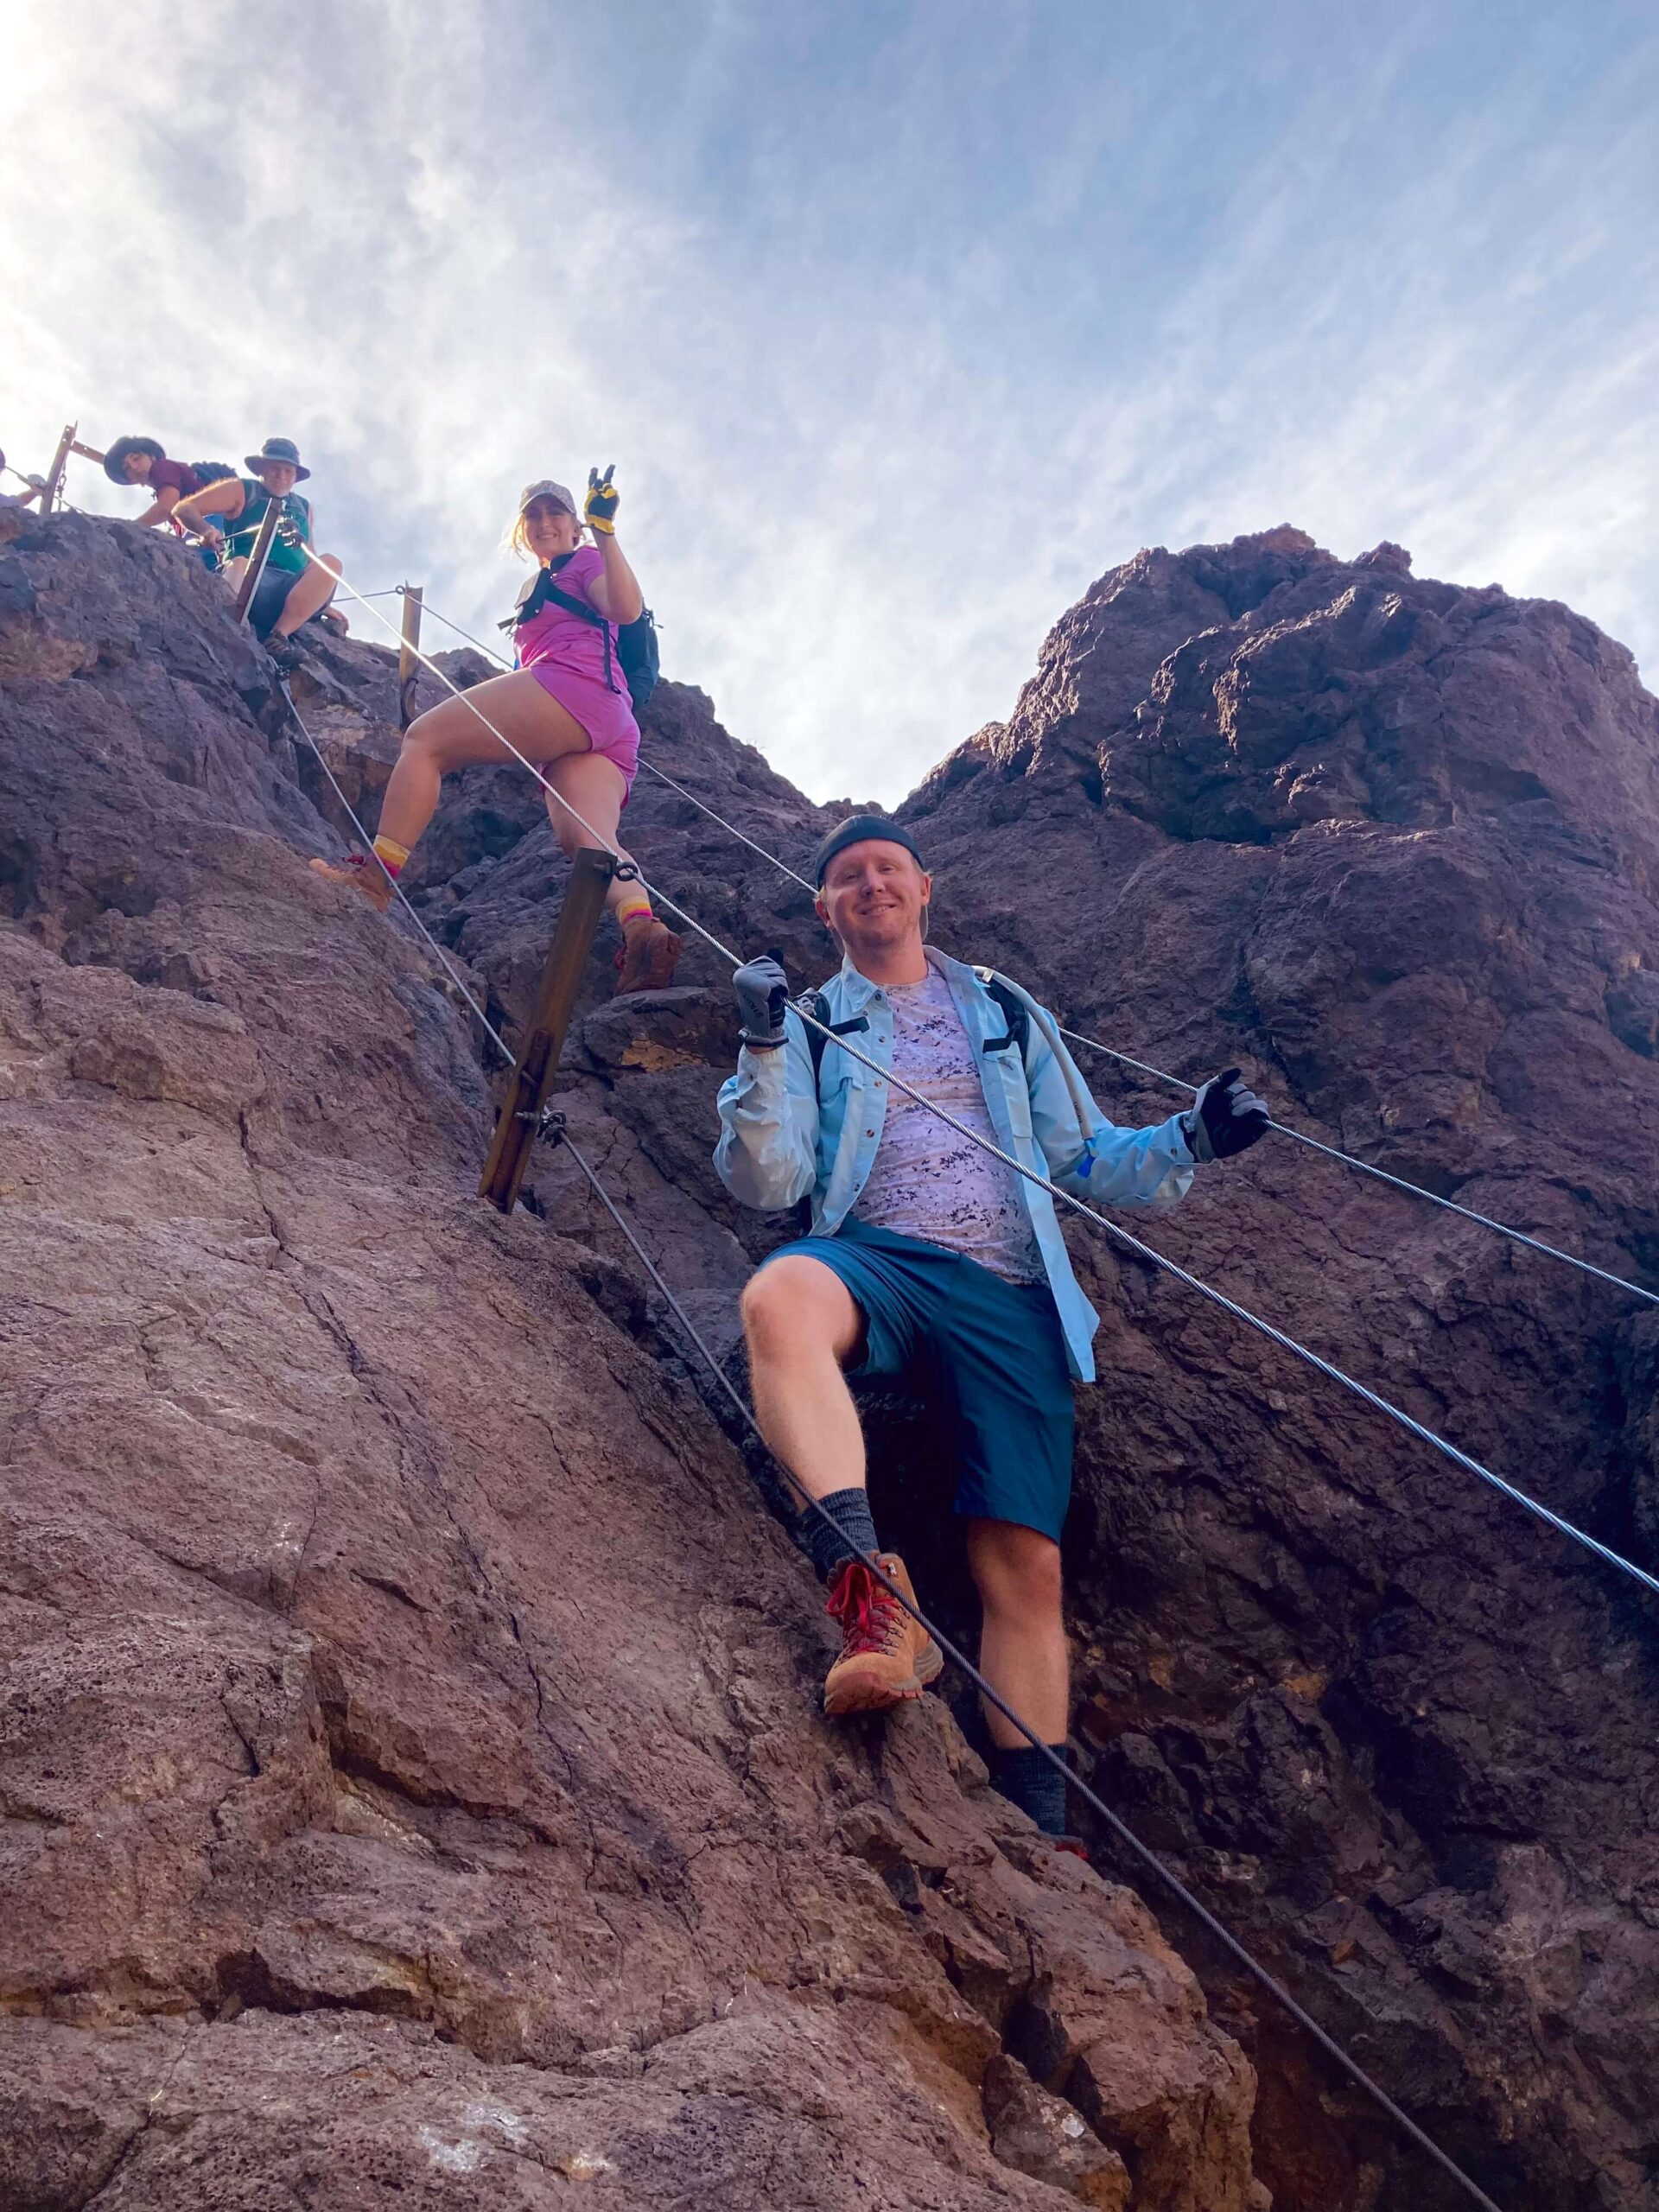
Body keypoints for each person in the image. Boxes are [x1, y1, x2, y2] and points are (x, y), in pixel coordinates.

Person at [715, 816, 1268, 1842]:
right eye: (848, 878)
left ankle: (1041, 1835)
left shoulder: (1007, 1009)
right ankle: (874, 1604)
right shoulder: (808, 1021)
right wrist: (757, 1043)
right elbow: (770, 1180)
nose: (871, 885)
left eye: (888, 869)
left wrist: (1193, 1136)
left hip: (1012, 1286)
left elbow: (1088, 1157)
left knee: (1028, 1566)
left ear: (927, 887)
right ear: (823, 908)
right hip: (877, 1257)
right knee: (777, 1296)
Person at [309, 472, 681, 995]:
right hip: (610, 721)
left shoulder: (586, 560)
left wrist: (606, 533)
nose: (545, 522)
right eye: (535, 515)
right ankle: (642, 927)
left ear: (575, 527)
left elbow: (624, 610)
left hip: (575, 690)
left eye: (557, 514)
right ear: (524, 532)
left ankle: (375, 880)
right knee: (589, 842)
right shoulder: (552, 578)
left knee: (424, 741)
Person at [173, 437, 341, 668]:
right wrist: (206, 530)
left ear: (295, 476)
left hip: (289, 587)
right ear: (262, 469)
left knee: (330, 563)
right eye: (275, 468)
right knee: (240, 563)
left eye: (288, 471)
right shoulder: (244, 489)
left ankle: (278, 638)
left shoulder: (303, 506)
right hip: (251, 578)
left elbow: (309, 555)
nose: (281, 476)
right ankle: (224, 626)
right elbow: (184, 508)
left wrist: (320, 596)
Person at [101, 437, 240, 542]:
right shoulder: (163, 486)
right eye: (126, 468)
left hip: (209, 521)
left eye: (136, 458)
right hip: (212, 524)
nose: (134, 467)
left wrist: (131, 527)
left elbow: (166, 508)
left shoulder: (161, 467)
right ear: (131, 480)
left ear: (151, 456)